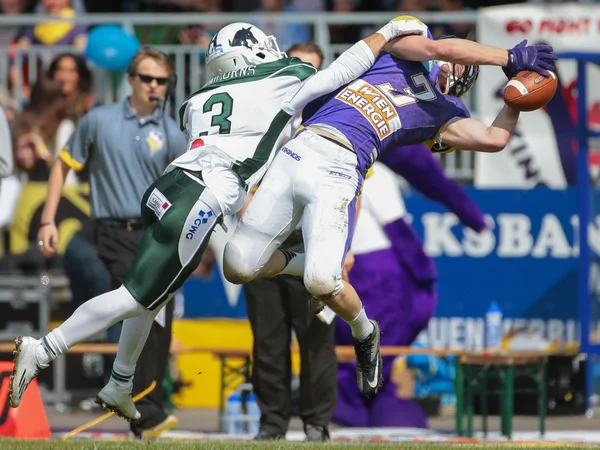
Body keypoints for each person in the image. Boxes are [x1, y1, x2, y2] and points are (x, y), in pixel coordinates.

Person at [9, 19, 420, 422]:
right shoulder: (284, 74)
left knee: (155, 296)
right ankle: (43, 348)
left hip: (168, 187)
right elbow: (342, 69)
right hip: (202, 195)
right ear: (252, 49)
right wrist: (386, 34)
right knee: (136, 296)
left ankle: (120, 381)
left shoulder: (199, 98)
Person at [221, 17, 557, 399]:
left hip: (343, 165)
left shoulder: (441, 113)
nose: (457, 60)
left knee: (321, 282)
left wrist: (515, 98)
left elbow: (494, 138)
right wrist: (508, 57)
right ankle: (306, 259)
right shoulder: (405, 51)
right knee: (237, 266)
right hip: (300, 146)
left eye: (464, 66)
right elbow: (439, 49)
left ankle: (365, 330)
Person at [33, 47, 187, 439]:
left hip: (160, 233)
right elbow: (63, 164)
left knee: (157, 320)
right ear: (131, 80)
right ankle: (144, 412)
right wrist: (49, 218)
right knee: (141, 309)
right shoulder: (99, 120)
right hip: (115, 230)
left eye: (162, 80)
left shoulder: (171, 130)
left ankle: (144, 407)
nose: (155, 86)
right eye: (148, 78)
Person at [333, 146, 487, 428]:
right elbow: (397, 229)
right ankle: (355, 399)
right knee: (375, 342)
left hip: (341, 268)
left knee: (362, 350)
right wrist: (424, 273)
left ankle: (357, 398)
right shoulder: (373, 175)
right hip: (375, 272)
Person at [242, 42, 337, 443]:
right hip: (262, 244)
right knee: (267, 342)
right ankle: (272, 425)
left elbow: (352, 192)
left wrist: (341, 248)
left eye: (311, 70)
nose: (303, 76)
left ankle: (316, 425)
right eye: (296, 67)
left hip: (311, 245)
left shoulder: (333, 118)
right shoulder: (260, 118)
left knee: (316, 340)